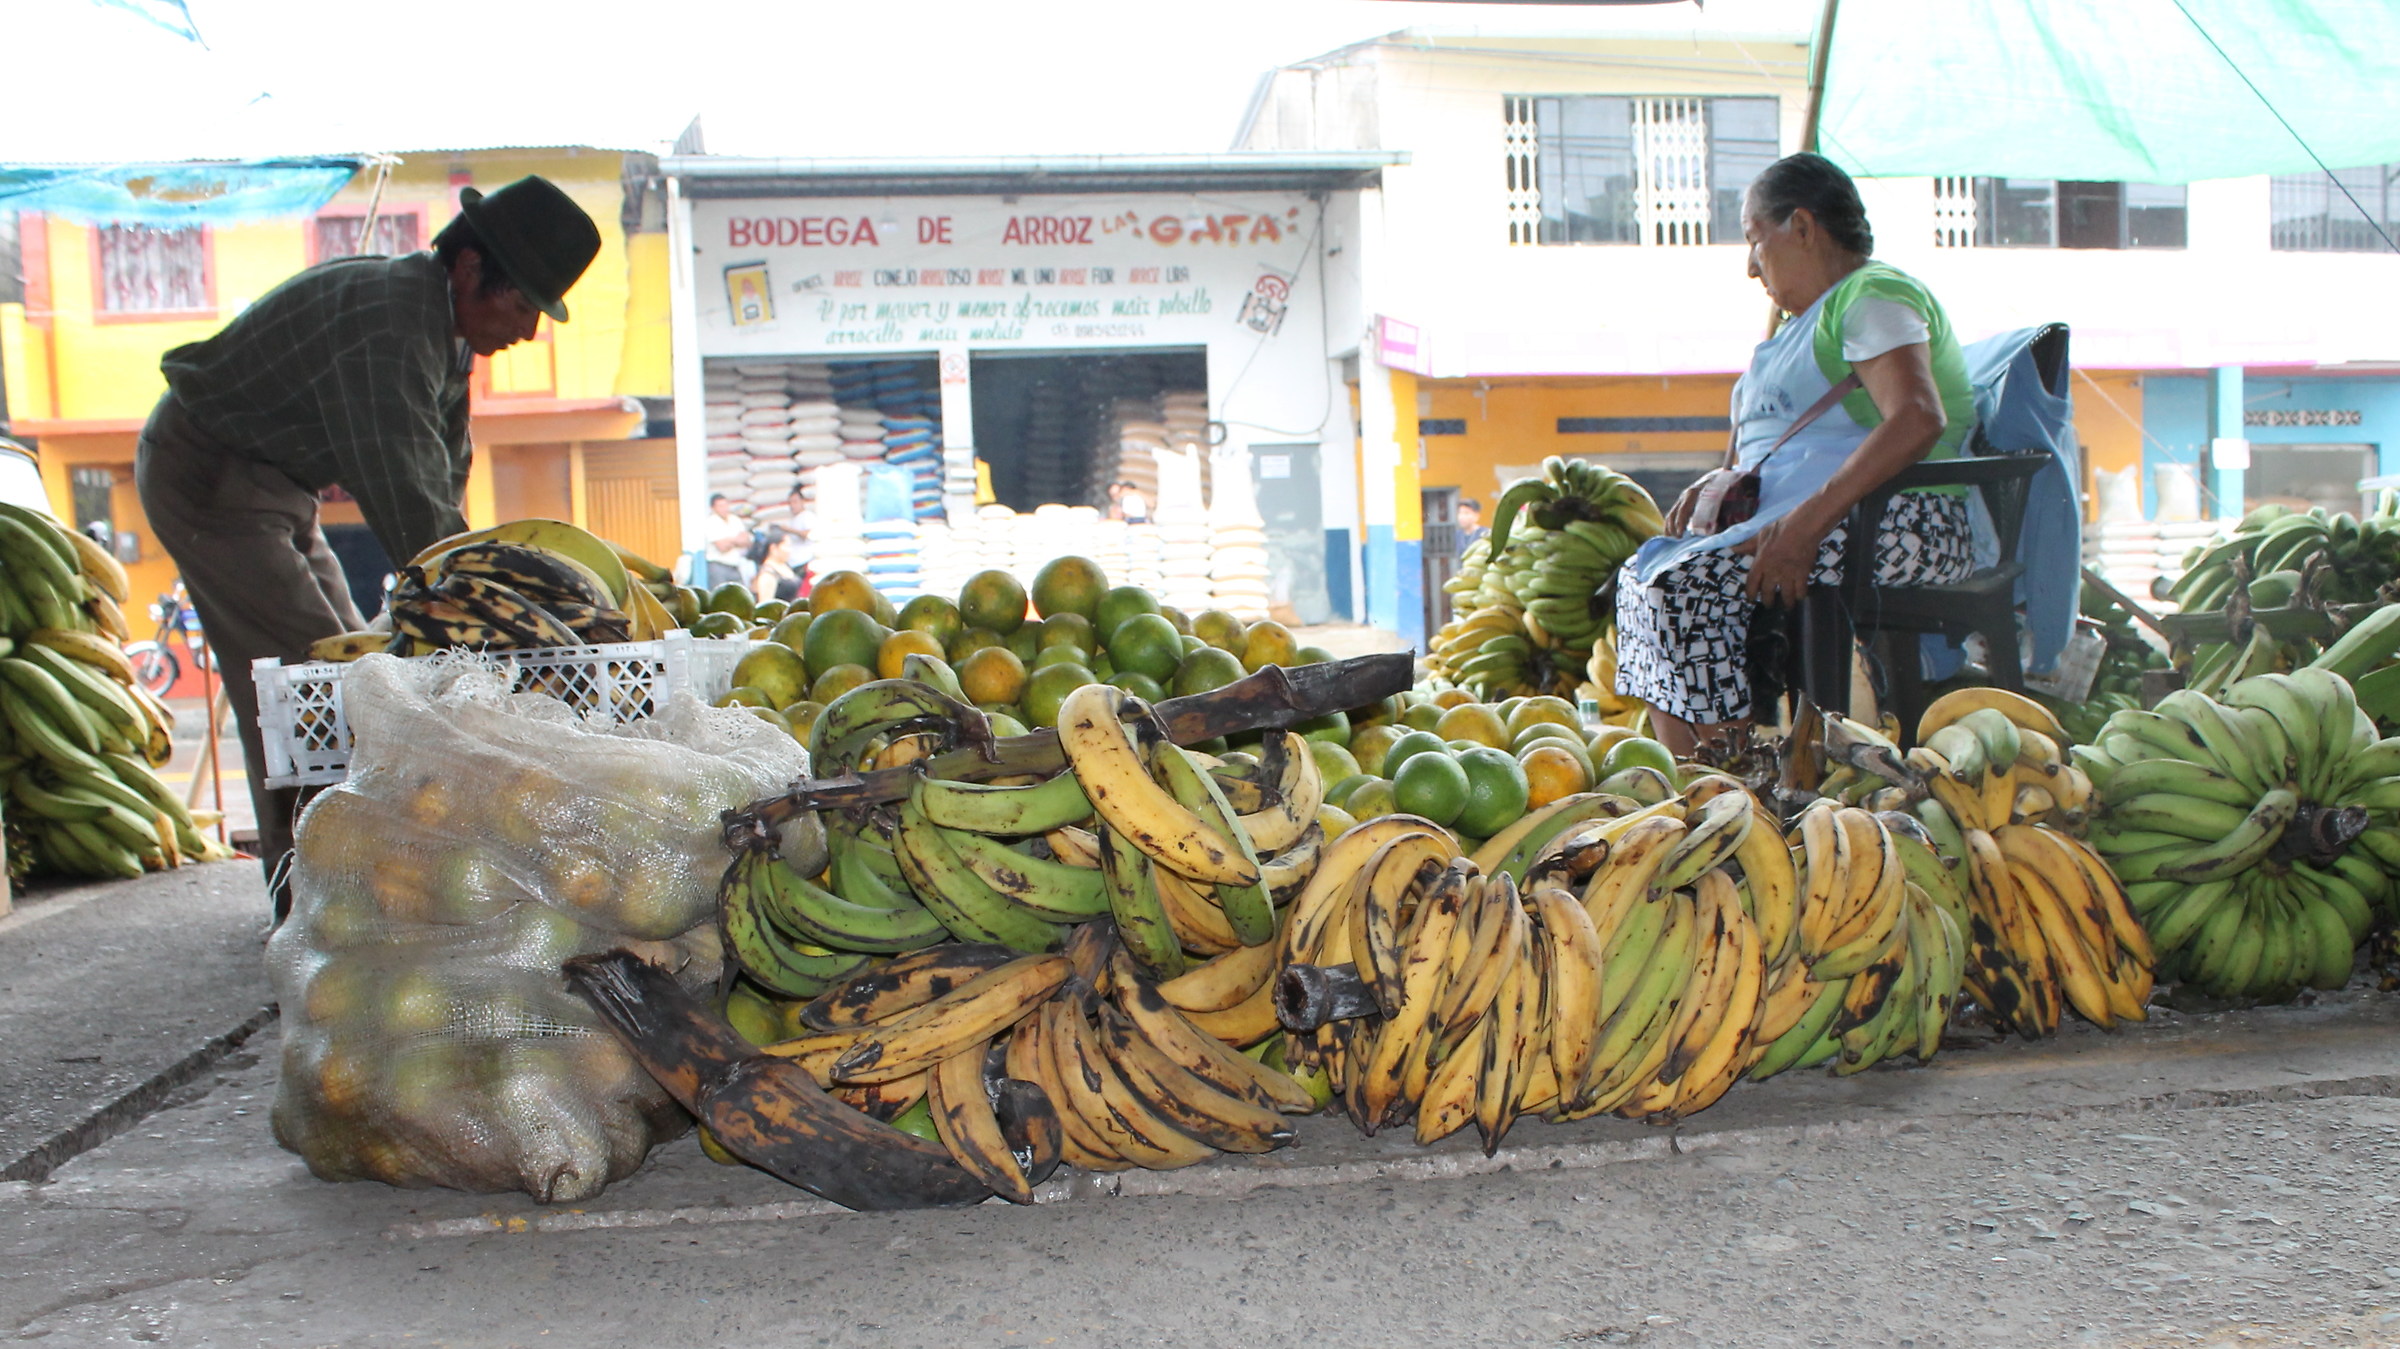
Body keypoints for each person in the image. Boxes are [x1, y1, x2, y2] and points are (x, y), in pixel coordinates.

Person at [134, 175, 601, 914]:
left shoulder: (443, 328)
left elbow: (444, 478)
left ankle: (349, 875)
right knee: (308, 690)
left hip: (281, 485)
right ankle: (312, 901)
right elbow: (412, 509)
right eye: (523, 306)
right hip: (211, 477)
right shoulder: (390, 327)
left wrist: (492, 595)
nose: (528, 332)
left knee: (356, 667)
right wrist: (492, 621)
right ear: (471, 268)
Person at [1613, 152, 1978, 757]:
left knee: (1686, 585)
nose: (1750, 266)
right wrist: (1724, 481)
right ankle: (1699, 778)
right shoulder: (1802, 326)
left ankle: (1730, 780)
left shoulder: (1871, 295)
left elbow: (1917, 417)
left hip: (1904, 520)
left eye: (1755, 240)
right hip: (1834, 517)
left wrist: (1805, 525)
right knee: (1642, 578)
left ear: (1803, 227)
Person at [702, 493, 753, 587]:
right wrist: (736, 540)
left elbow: (746, 542)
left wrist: (729, 540)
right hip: (718, 566)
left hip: (735, 565)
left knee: (740, 592)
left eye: (726, 505)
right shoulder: (710, 522)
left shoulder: (735, 520)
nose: (724, 508)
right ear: (713, 508)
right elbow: (722, 547)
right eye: (720, 506)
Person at [751, 527, 804, 604]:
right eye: (787, 546)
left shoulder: (785, 565)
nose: (790, 550)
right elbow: (765, 603)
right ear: (773, 548)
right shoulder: (767, 573)